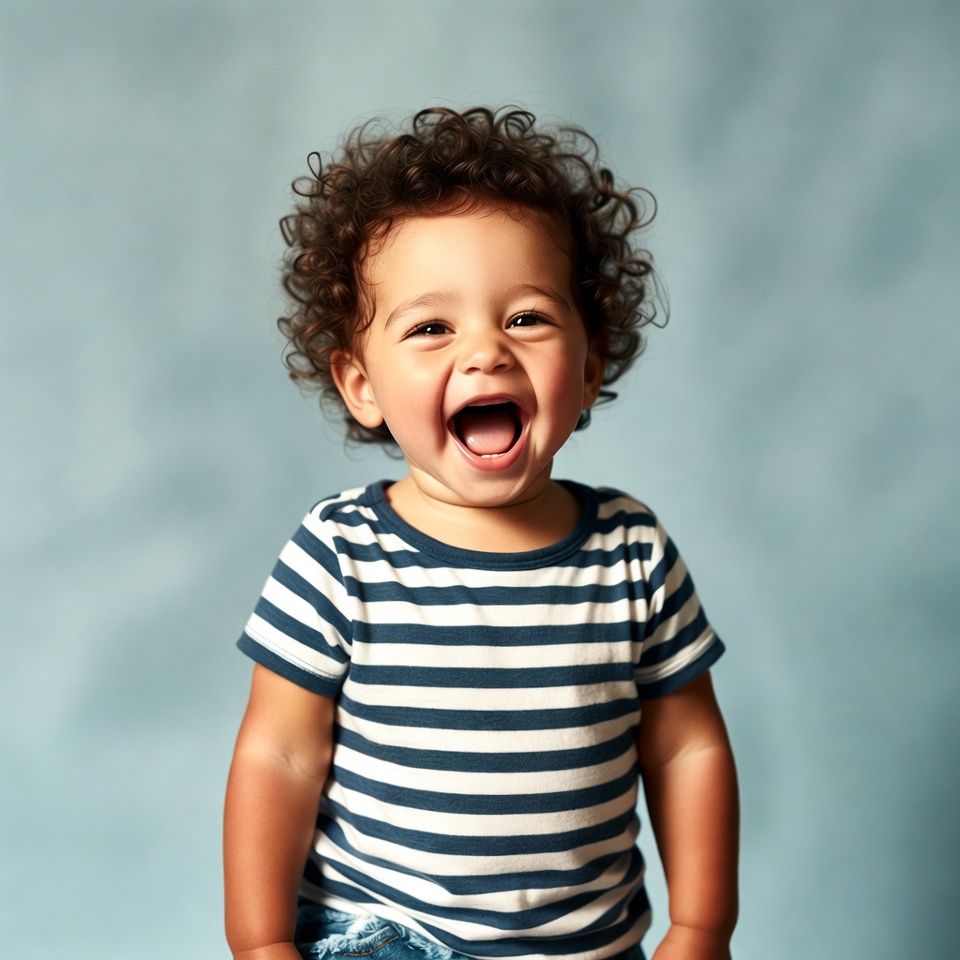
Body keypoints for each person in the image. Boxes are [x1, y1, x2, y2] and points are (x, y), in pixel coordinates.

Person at [224, 106, 739, 960]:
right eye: (431, 328)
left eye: (527, 318)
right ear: (362, 386)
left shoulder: (630, 552)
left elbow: (687, 749)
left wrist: (700, 927)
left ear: (590, 364)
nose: (486, 353)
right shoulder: (340, 554)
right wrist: (260, 943)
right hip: (388, 939)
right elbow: (277, 757)